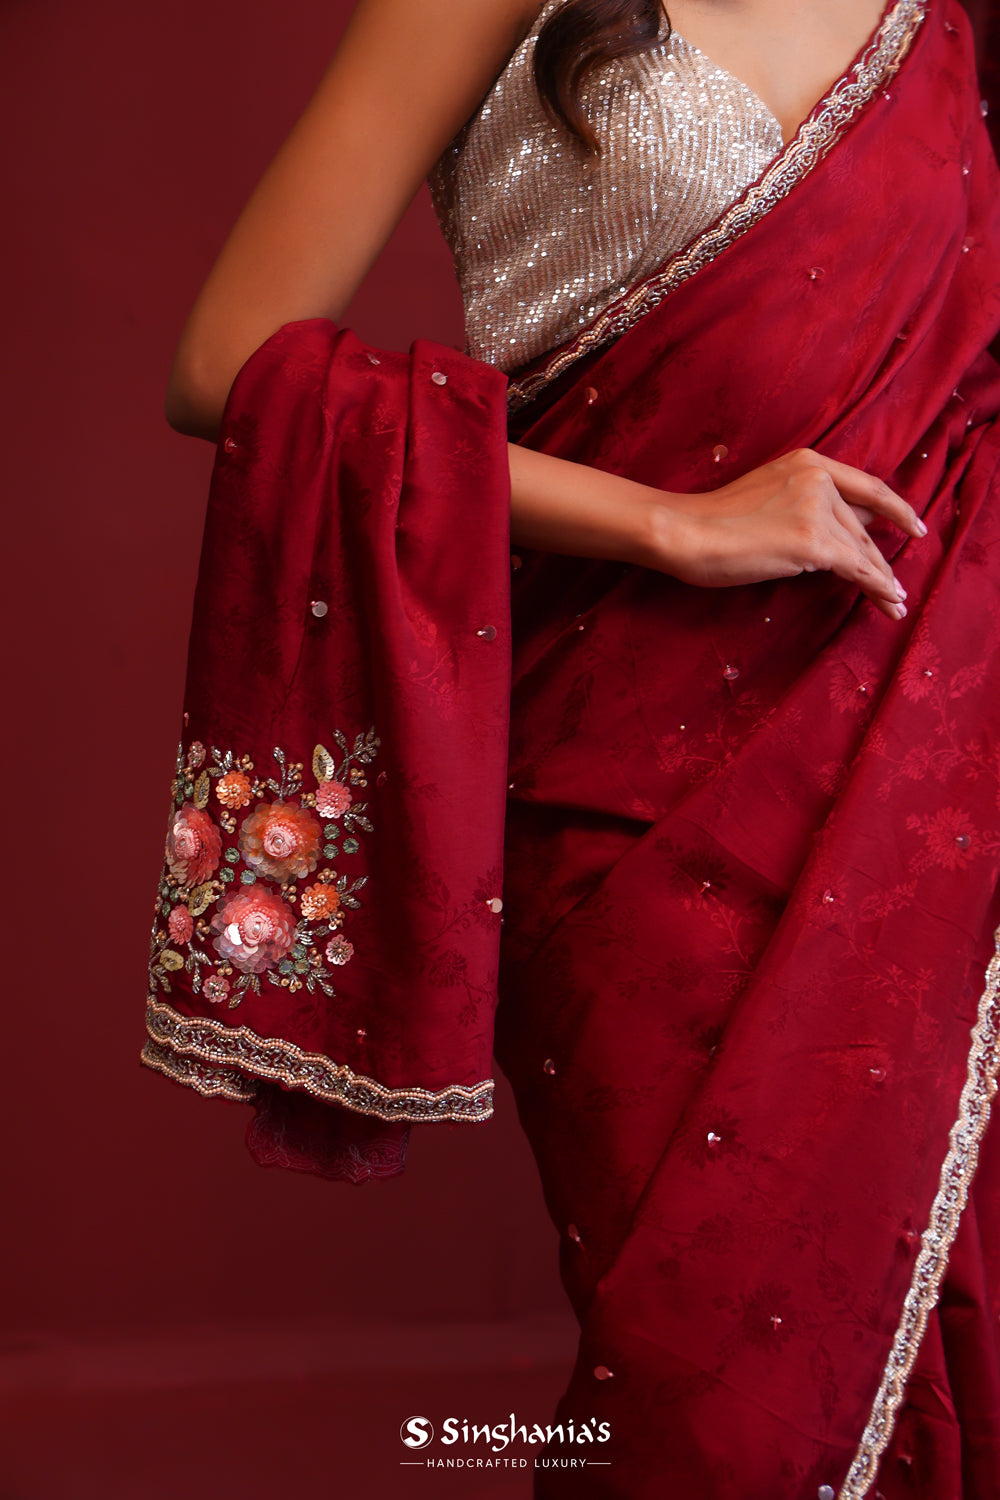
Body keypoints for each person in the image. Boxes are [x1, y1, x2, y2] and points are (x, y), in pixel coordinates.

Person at [148, 0, 1000, 1493]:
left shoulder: (934, 18)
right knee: (705, 1410)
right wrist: (674, 523)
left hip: (943, 749)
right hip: (630, 786)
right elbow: (227, 362)